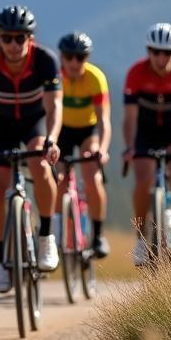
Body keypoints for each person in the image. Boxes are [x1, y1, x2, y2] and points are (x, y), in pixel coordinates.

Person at [0, 6, 63, 292]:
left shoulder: (45, 61)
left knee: (40, 164)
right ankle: (4, 259)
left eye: (20, 38)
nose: (14, 45)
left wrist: (51, 139)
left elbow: (54, 106)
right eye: (7, 38)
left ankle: (46, 237)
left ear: (31, 38)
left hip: (34, 124)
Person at [123, 22, 171, 270]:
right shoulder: (136, 73)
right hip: (145, 131)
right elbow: (130, 118)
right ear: (148, 51)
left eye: (168, 52)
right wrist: (130, 147)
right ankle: (141, 241)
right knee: (143, 179)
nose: (161, 57)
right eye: (156, 51)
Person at [55, 31, 111, 258]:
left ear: (86, 58)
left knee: (92, 177)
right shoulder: (55, 77)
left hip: (88, 131)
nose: (74, 62)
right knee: (58, 180)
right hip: (62, 131)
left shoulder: (95, 78)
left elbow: (104, 121)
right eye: (69, 57)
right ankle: (57, 236)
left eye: (80, 57)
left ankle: (97, 236)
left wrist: (103, 149)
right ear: (62, 57)